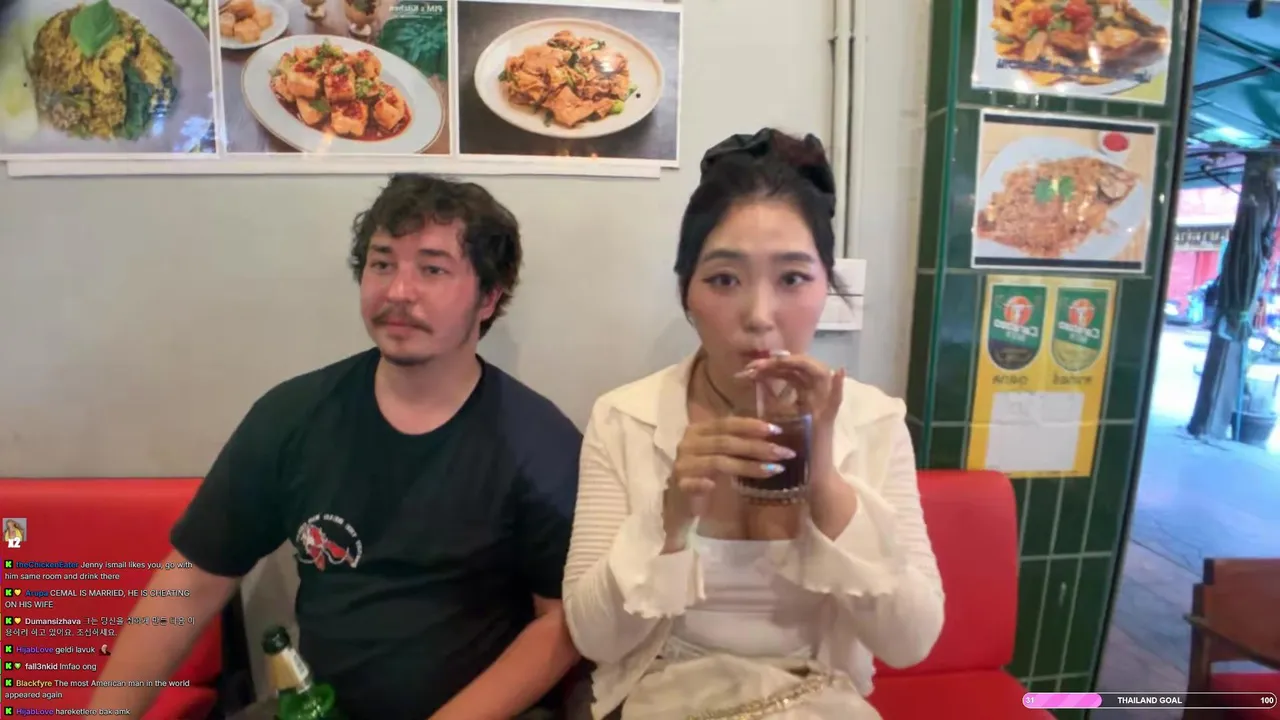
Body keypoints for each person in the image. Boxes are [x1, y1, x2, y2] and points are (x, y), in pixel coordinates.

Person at [88, 174, 583, 720]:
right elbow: (193, 579)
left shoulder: (539, 443)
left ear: (488, 297)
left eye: (433, 269)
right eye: (382, 264)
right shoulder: (294, 415)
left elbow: (562, 621)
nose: (398, 291)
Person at [562, 129, 945, 719]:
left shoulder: (874, 421)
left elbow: (909, 642)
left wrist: (825, 482)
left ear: (826, 287)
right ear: (686, 292)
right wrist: (668, 517)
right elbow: (595, 639)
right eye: (724, 279)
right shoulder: (624, 418)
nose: (759, 317)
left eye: (792, 278)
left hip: (817, 700)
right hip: (668, 698)